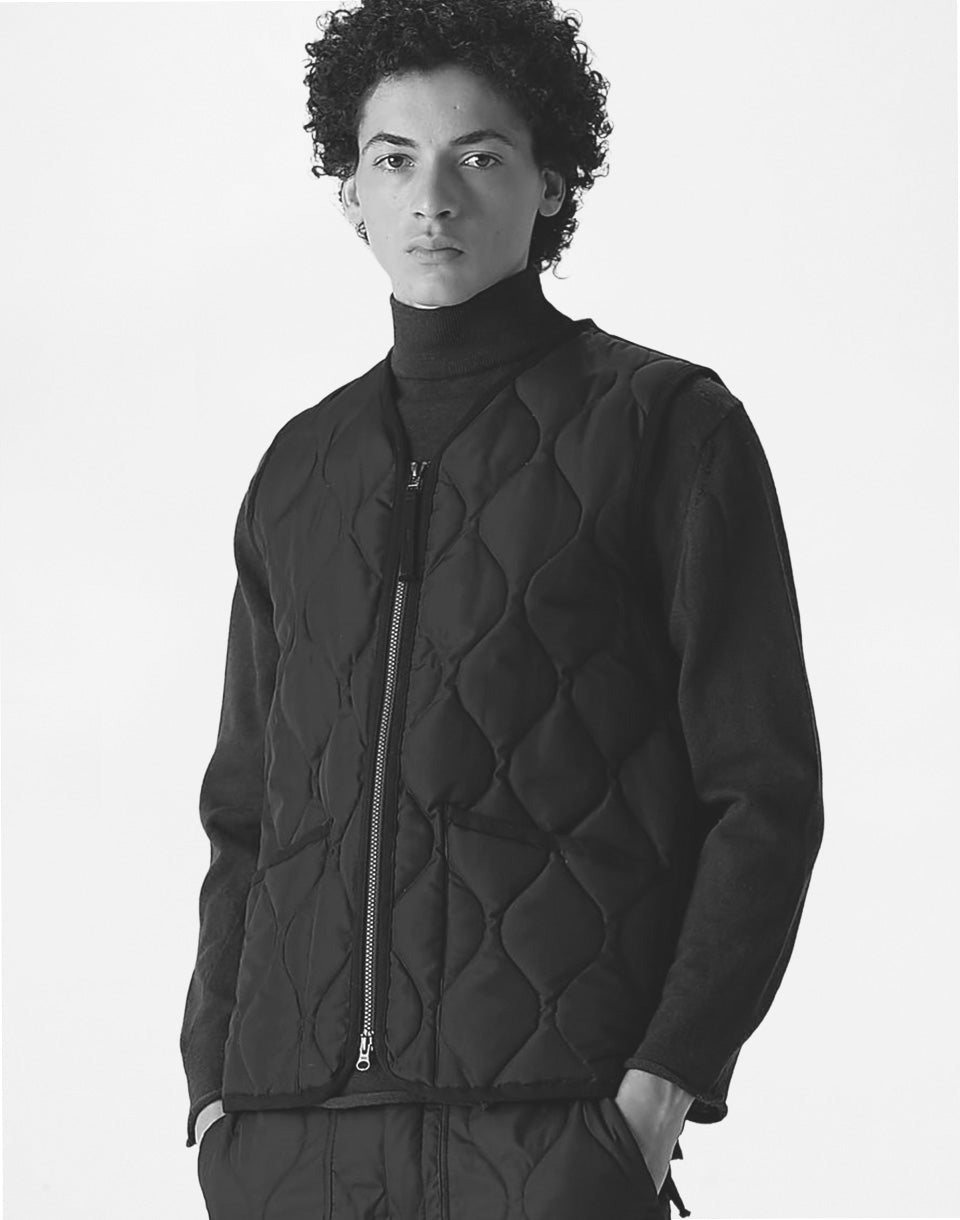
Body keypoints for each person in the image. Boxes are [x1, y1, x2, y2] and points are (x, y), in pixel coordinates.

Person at [180, 1, 825, 1216]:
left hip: (551, 1127)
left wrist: (660, 1087)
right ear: (349, 193)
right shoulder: (299, 470)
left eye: (477, 155)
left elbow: (763, 791)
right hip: (285, 1137)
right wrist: (214, 1092)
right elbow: (245, 812)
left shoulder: (667, 428)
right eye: (393, 160)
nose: (432, 198)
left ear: (552, 181)